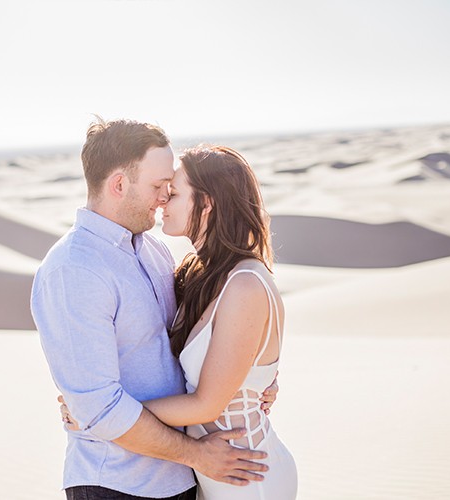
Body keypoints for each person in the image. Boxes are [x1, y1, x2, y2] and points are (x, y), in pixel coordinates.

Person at [31, 118, 278, 500]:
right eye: (158, 187)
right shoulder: (73, 270)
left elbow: (206, 340)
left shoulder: (155, 252)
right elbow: (99, 408)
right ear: (118, 185)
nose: (164, 197)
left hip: (183, 478)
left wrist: (255, 379)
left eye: (170, 188)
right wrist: (195, 453)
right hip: (116, 484)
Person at [143, 145, 298, 499]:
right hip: (212, 472)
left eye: (175, 192)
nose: (163, 201)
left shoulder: (245, 284)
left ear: (207, 202)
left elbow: (206, 405)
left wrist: (107, 414)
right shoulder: (198, 275)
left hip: (248, 475)